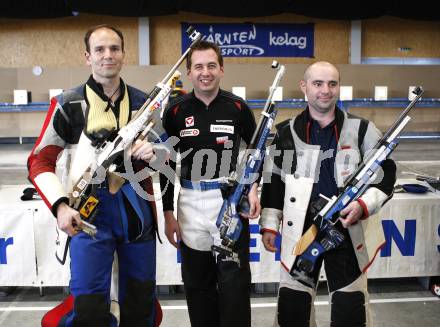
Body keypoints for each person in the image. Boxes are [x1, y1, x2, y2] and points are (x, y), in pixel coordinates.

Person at [28, 24, 160, 326]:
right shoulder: (68, 104)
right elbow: (39, 161)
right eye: (99, 49)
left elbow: (170, 151)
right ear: (87, 56)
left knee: (141, 302)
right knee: (88, 304)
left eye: (114, 49)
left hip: (136, 212)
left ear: (124, 55)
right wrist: (60, 206)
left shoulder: (144, 103)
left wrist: (155, 152)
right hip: (87, 213)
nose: (107, 55)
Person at [259, 61, 396, 327]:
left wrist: (362, 205)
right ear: (304, 87)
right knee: (292, 311)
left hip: (347, 231)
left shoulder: (363, 131)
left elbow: (386, 175)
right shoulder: (285, 133)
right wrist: (269, 225)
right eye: (318, 83)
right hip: (300, 234)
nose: (325, 90)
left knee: (350, 312)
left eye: (332, 83)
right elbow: (274, 182)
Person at [160, 40, 260, 327]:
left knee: (234, 286)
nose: (206, 72)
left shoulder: (238, 107)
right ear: (189, 72)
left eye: (212, 66)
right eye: (199, 66)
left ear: (222, 70)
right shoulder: (175, 111)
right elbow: (165, 164)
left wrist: (252, 188)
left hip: (229, 202)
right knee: (197, 285)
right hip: (189, 205)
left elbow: (257, 151)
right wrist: (168, 214)